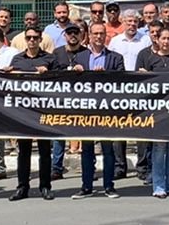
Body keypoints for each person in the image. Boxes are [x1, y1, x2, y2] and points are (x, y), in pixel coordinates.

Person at [68, 21, 124, 199]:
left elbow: (123, 83)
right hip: (86, 110)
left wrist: (106, 73)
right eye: (95, 33)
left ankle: (109, 186)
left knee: (108, 150)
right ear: (89, 35)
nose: (99, 37)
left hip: (107, 110)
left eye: (102, 33)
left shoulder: (116, 57)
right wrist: (74, 71)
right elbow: (70, 84)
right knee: (87, 149)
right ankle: (86, 186)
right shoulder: (80, 57)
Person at [135, 25, 169, 198]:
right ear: (157, 40)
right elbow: (139, 82)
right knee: (159, 148)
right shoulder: (149, 58)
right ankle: (158, 186)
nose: (166, 42)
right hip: (156, 110)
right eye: (163, 38)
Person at [7, 28, 57, 201]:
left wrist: (49, 73)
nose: (32, 40)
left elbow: (61, 82)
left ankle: (45, 186)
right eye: (29, 37)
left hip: (43, 110)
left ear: (40, 39)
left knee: (44, 150)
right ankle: (22, 187)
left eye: (35, 38)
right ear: (25, 39)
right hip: (24, 111)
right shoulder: (17, 59)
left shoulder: (50, 59)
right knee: (24, 150)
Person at [51, 23, 87, 178]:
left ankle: (87, 168)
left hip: (82, 99)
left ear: (81, 35)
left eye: (76, 33)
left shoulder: (87, 53)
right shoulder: (57, 53)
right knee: (59, 134)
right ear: (65, 36)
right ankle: (56, 168)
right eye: (69, 33)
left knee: (85, 134)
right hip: (61, 99)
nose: (73, 36)